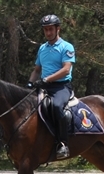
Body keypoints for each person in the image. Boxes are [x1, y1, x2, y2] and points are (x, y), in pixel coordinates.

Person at [27, 13, 75, 159]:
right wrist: (30, 83)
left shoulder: (66, 47)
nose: (48, 32)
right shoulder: (42, 48)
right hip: (44, 86)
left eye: (50, 29)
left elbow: (66, 69)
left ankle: (62, 144)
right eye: (45, 29)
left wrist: (47, 79)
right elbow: (37, 70)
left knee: (55, 106)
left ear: (57, 29)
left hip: (61, 87)